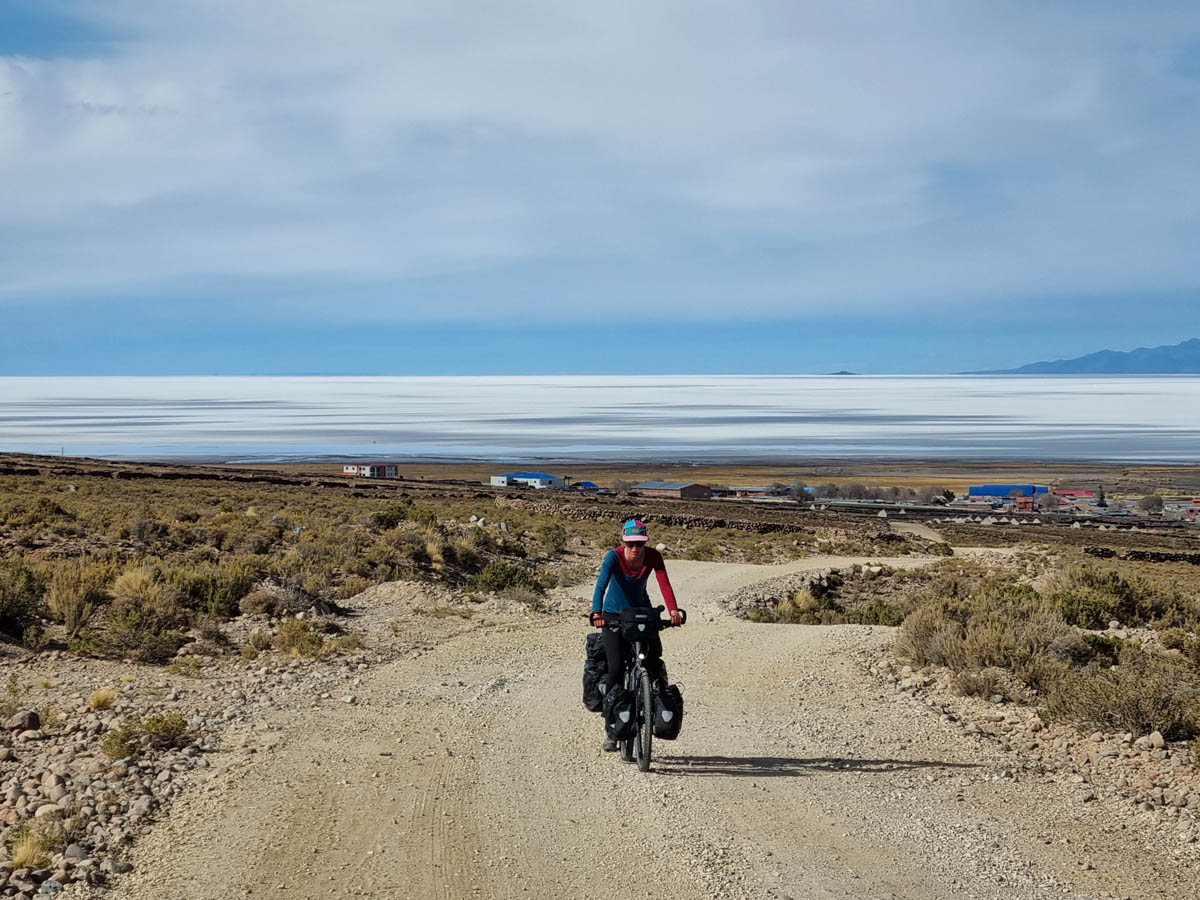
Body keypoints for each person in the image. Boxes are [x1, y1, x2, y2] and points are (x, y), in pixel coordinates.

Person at [590, 519, 683, 751]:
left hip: (642, 613)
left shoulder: (653, 556)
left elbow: (664, 583)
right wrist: (596, 612)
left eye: (639, 543)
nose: (635, 548)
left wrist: (673, 610)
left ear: (645, 543)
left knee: (652, 662)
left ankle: (653, 706)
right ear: (623, 541)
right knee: (616, 667)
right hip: (613, 615)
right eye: (630, 543)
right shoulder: (614, 556)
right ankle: (611, 727)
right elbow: (601, 585)